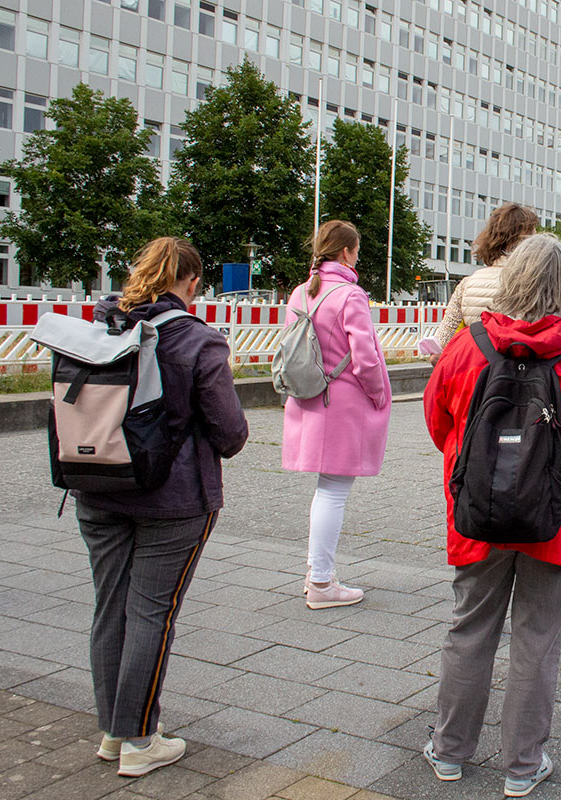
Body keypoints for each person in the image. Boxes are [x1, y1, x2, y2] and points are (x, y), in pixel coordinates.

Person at [422, 233, 561, 797]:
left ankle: (448, 752)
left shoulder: (466, 349)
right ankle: (521, 766)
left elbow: (440, 427)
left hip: (477, 512)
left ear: (510, 278)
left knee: (469, 627)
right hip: (558, 517)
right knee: (539, 637)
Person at [78, 237, 248, 776]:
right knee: (152, 612)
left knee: (111, 607)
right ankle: (139, 740)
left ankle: (113, 732)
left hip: (97, 484)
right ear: (192, 282)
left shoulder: (104, 326)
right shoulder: (197, 340)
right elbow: (230, 433)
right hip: (173, 500)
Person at [430, 202, 561, 637]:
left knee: (468, 627)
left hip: (479, 406)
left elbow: (443, 352)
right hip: (544, 425)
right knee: (540, 625)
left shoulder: (469, 285)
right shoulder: (545, 283)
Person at [282, 220, 392, 609]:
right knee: (334, 491)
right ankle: (322, 582)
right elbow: (365, 357)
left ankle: (317, 574)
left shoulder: (301, 291)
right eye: (357, 250)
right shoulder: (351, 294)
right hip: (341, 402)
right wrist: (379, 394)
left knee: (325, 490)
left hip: (309, 396)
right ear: (346, 252)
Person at [430, 202, 540, 356]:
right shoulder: (535, 284)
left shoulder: (467, 284)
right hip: (518, 374)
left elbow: (441, 344)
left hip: (473, 372)